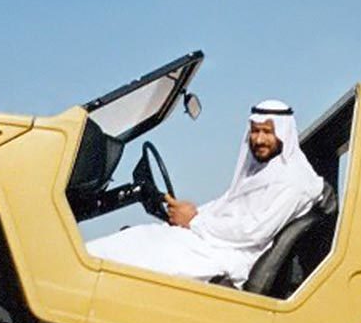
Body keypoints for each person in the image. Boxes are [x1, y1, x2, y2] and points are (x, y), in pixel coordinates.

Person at [86, 100, 327, 287]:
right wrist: (189, 214)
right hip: (216, 243)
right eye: (255, 131)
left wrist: (195, 221)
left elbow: (253, 232)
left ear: (283, 134)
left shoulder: (293, 181)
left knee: (143, 251)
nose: (259, 139)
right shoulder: (265, 171)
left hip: (232, 256)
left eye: (267, 132)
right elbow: (228, 205)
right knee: (140, 237)